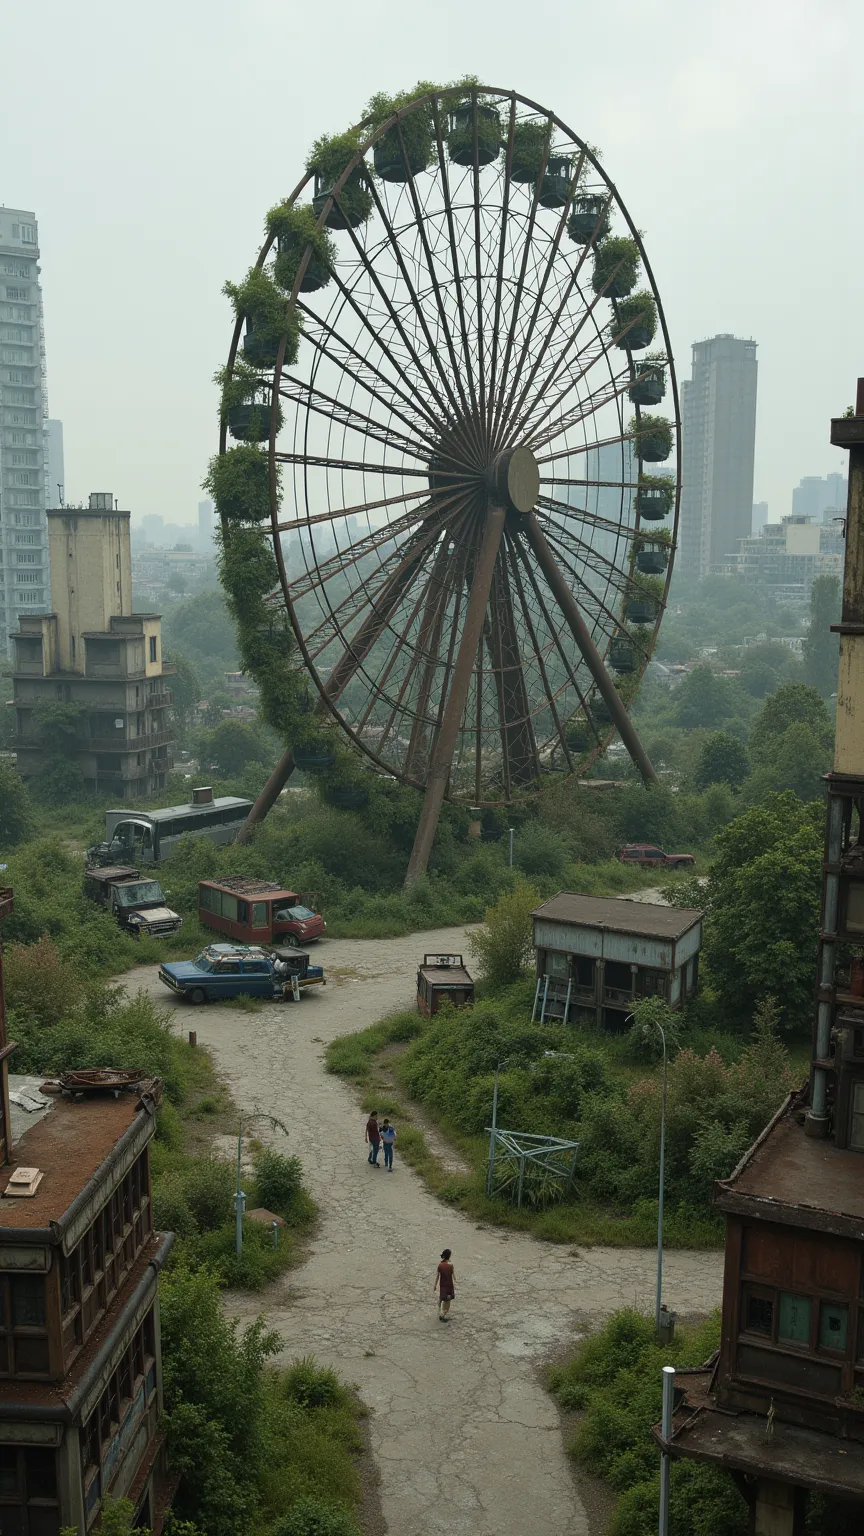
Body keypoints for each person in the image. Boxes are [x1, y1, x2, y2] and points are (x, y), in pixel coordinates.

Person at [434, 1248, 455, 1322]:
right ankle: (442, 1315)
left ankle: (439, 1312)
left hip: (442, 1286)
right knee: (448, 1302)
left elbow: (437, 1276)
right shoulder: (451, 1265)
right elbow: (454, 1277)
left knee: (441, 1299)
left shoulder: (440, 1265)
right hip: (449, 1287)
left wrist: (435, 1285)